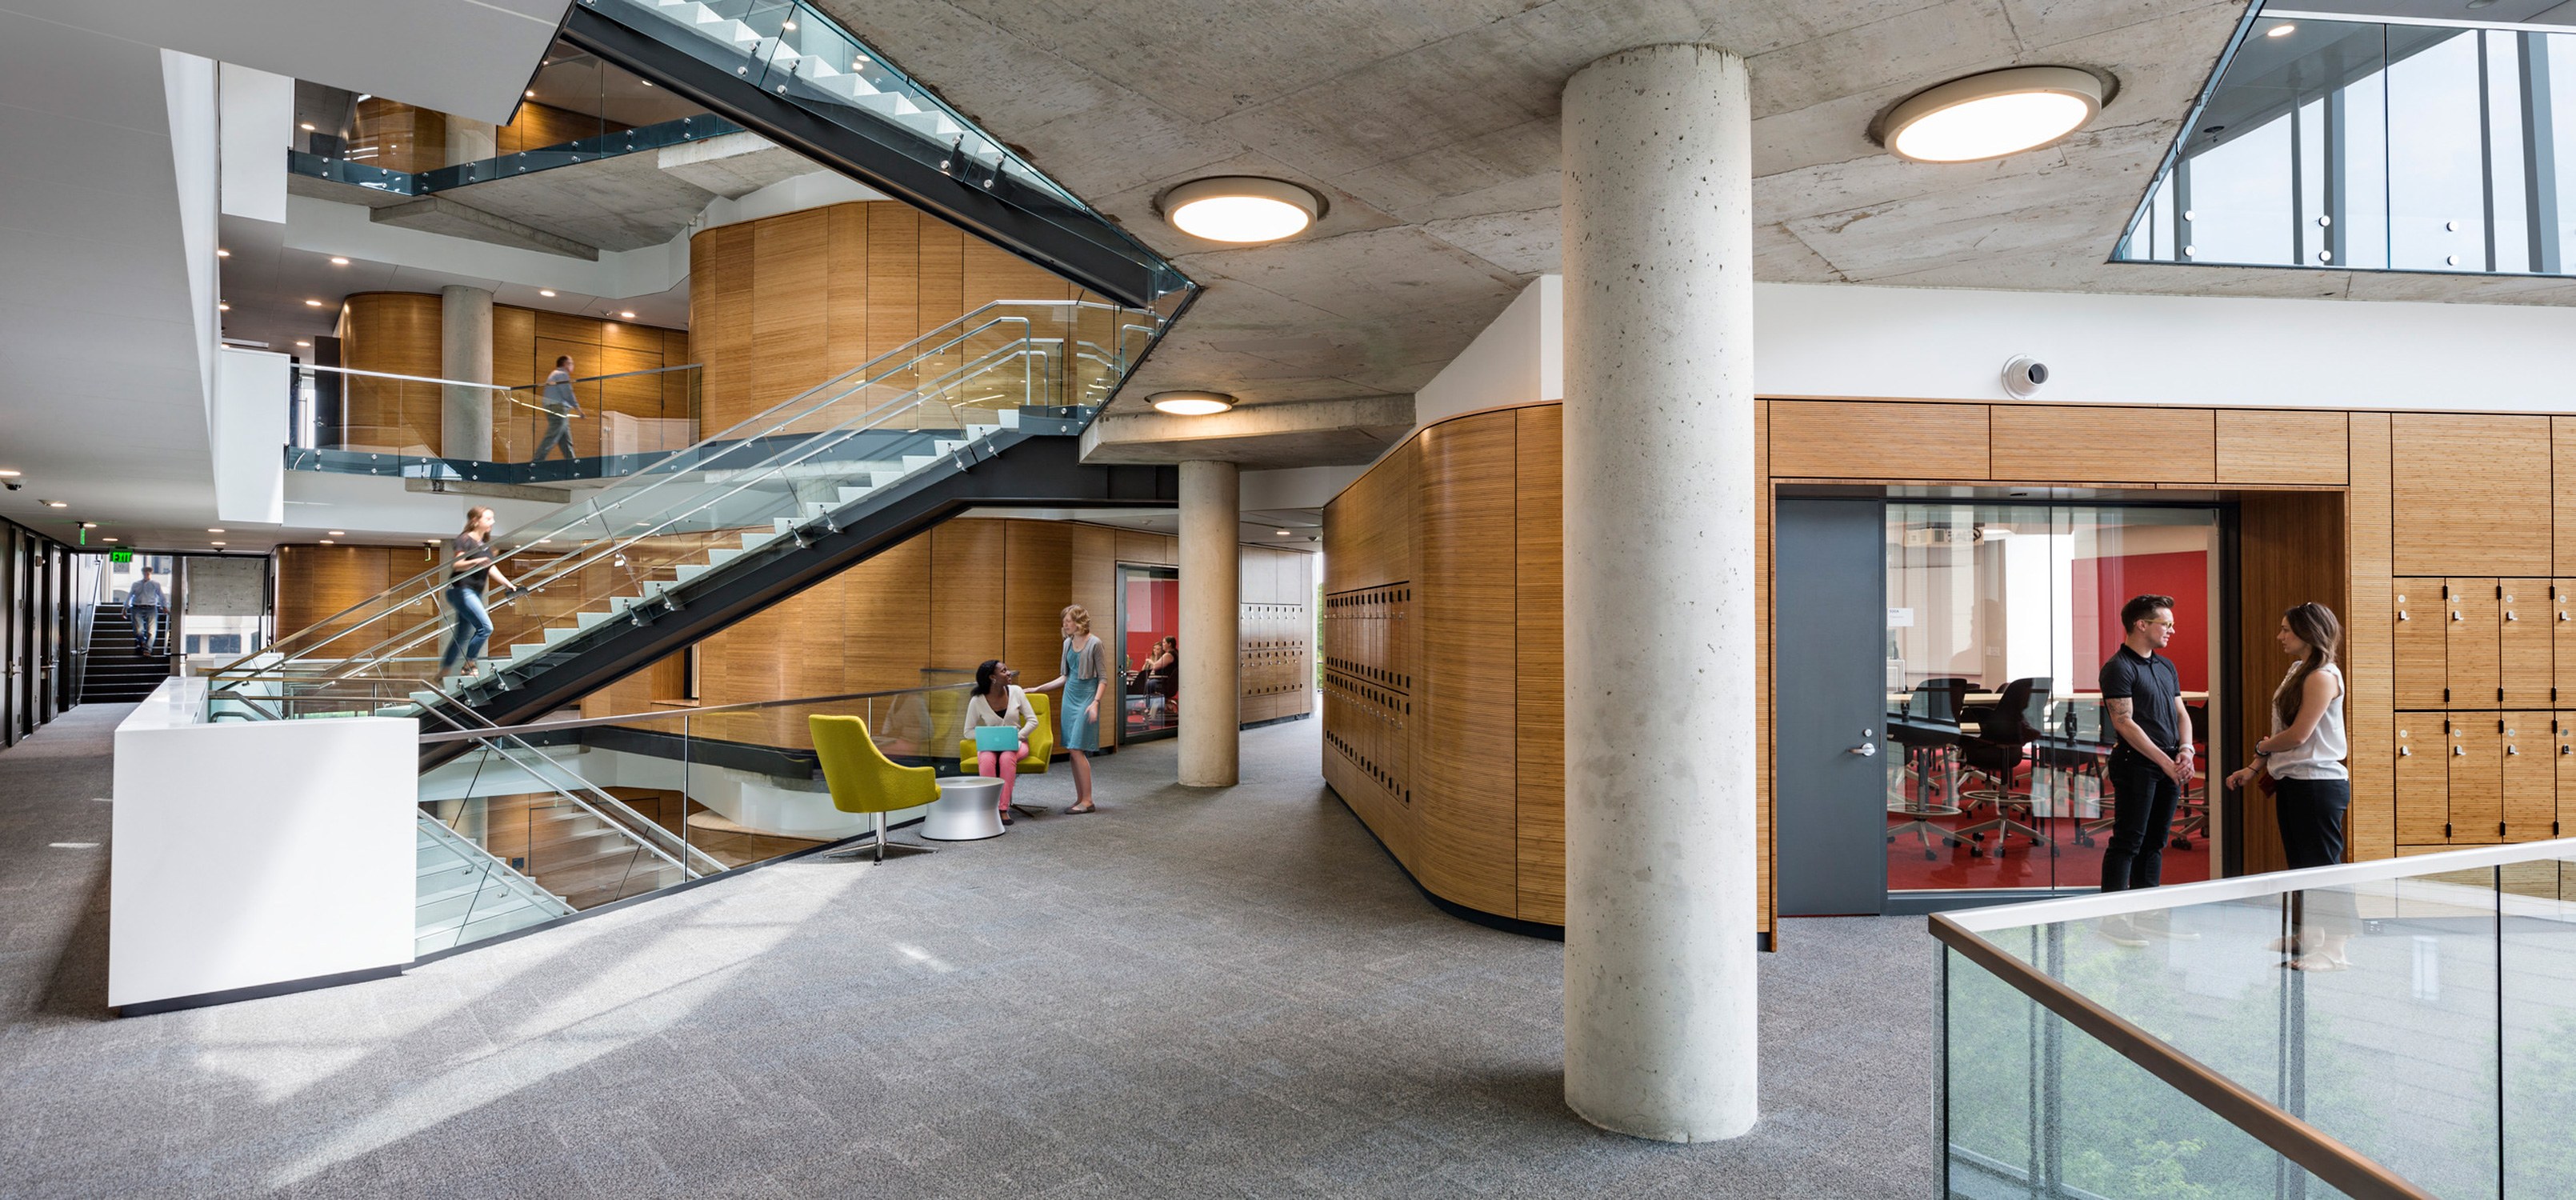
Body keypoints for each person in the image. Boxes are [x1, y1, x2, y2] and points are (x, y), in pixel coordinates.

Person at [2227, 602, 2351, 971]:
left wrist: (2262, 748)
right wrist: (2255, 766)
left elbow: (2297, 735)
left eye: (2287, 630)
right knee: (2302, 866)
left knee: (2325, 868)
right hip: (2293, 781)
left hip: (2318, 785)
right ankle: (2310, 936)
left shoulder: (2323, 677)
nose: (2280, 636)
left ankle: (2337, 950)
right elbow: (2284, 733)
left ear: (2309, 633)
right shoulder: (2299, 671)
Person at [2098, 593, 2195, 945]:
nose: (2171, 630)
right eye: (2165, 624)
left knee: (2155, 842)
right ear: (2142, 625)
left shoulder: (2166, 666)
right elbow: (2125, 723)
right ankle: (2113, 919)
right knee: (2128, 842)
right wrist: (2166, 762)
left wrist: (2185, 750)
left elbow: (2181, 712)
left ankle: (2146, 914)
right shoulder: (2118, 668)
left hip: (2169, 763)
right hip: (2137, 764)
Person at [1032, 604, 1103, 814]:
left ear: (1079, 621)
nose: (1065, 624)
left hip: (1087, 697)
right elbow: (1065, 676)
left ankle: (1088, 800)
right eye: (1064, 621)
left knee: (1076, 749)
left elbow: (1103, 678)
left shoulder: (1095, 644)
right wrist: (1037, 688)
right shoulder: (1067, 643)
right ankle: (1080, 797)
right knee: (1073, 749)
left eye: (1069, 620)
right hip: (1069, 697)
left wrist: (1095, 703)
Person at [438, 506, 515, 679]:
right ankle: (469, 664)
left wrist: (507, 583)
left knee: (462, 634)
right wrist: (478, 560)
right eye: (488, 519)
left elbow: (490, 567)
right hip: (461, 590)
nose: (492, 522)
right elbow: (456, 564)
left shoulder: (484, 543)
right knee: (486, 627)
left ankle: (444, 672)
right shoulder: (464, 539)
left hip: (474, 592)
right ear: (475, 521)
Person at [966, 659, 1041, 826]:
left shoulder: (1016, 691)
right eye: (1004, 671)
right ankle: (987, 808)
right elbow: (968, 731)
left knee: (1007, 758)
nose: (1009, 673)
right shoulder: (977, 700)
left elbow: (1032, 721)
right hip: (990, 746)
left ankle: (1002, 809)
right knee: (986, 759)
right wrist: (988, 735)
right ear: (993, 677)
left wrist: (1017, 736)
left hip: (1017, 744)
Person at [532, 354, 582, 465]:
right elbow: (568, 393)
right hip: (558, 409)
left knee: (565, 440)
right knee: (552, 436)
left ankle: (572, 465)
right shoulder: (562, 374)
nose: (573, 365)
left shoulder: (554, 374)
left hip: (555, 408)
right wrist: (578, 409)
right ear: (565, 364)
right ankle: (536, 462)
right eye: (571, 363)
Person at [126, 566, 164, 656]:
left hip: (151, 607)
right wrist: (125, 608)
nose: (146, 574)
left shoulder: (155, 584)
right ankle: (142, 641)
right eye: (145, 573)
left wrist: (164, 606)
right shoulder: (136, 584)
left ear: (151, 573)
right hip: (137, 607)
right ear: (143, 573)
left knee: (151, 630)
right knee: (138, 630)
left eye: (148, 573)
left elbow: (161, 596)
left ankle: (148, 649)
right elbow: (130, 595)